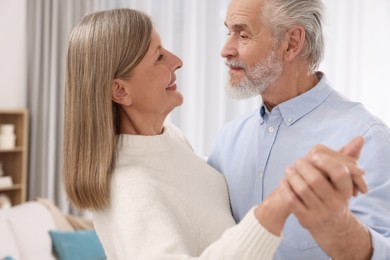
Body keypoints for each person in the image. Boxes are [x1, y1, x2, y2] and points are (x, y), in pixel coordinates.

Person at [62, 8, 366, 260]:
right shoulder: (131, 188)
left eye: (243, 33)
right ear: (120, 90)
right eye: (158, 57)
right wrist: (279, 204)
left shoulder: (171, 141)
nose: (177, 61)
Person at [207, 0, 390, 259]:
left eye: (243, 34)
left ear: (291, 43)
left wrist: (335, 226)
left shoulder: (366, 136)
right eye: (229, 32)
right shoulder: (227, 141)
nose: (225, 50)